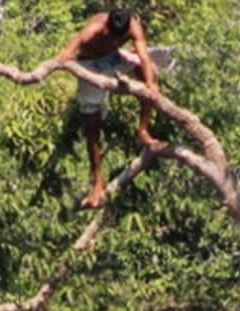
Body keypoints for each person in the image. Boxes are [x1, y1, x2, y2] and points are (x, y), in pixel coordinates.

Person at [56, 8, 165, 209]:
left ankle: (143, 130)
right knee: (92, 123)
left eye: (118, 36)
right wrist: (63, 60)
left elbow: (143, 56)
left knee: (148, 75)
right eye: (109, 34)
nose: (111, 37)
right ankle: (96, 180)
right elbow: (69, 49)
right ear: (106, 26)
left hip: (114, 59)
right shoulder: (95, 28)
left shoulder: (133, 25)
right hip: (89, 63)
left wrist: (151, 84)